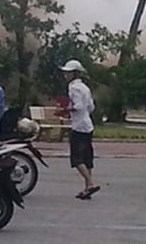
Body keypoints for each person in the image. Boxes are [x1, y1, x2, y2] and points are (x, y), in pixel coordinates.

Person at [60, 59, 99, 200]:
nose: (66, 74)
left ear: (75, 73)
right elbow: (90, 107)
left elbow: (78, 106)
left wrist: (66, 109)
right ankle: (87, 187)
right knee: (87, 157)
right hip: (88, 125)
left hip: (78, 126)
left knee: (76, 158)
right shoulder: (85, 87)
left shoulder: (73, 87)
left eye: (68, 72)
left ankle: (91, 183)